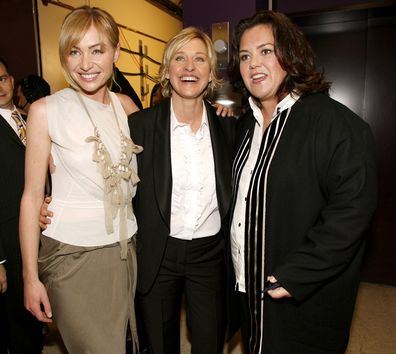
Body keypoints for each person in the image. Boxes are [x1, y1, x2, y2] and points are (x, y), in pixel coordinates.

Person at [228, 10, 377, 354]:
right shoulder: (242, 127)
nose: (254, 64)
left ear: (291, 55)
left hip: (300, 292)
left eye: (266, 51)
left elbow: (352, 213)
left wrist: (298, 274)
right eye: (246, 56)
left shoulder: (337, 126)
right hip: (247, 284)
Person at [19, 6, 142, 354]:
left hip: (126, 252)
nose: (85, 63)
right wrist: (30, 278)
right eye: (75, 51)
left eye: (96, 50)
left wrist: (217, 114)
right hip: (71, 257)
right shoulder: (45, 110)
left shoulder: (128, 108)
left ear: (116, 52)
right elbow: (30, 197)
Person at [128, 27, 235, 354]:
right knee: (159, 345)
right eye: (180, 58)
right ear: (167, 69)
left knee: (209, 342)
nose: (190, 67)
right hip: (159, 253)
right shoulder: (139, 126)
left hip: (210, 254)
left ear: (211, 72)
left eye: (199, 59)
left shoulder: (230, 126)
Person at [0, 57, 43, 353]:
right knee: (16, 327)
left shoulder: (30, 120)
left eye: (1, 78)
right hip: (8, 244)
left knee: (35, 320)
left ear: (12, 79)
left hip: (39, 235)